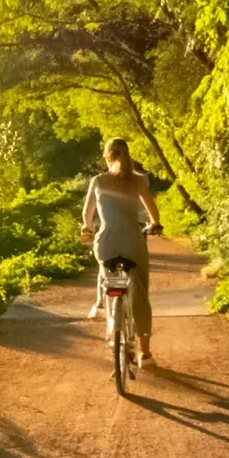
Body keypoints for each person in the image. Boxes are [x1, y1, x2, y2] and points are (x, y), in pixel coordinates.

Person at [82, 138, 165, 364]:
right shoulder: (138, 182)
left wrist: (88, 229)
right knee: (139, 293)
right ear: (128, 155)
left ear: (107, 156)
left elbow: (87, 214)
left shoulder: (97, 181)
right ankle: (145, 354)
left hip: (106, 243)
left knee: (108, 277)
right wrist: (155, 224)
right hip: (133, 243)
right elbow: (153, 213)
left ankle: (105, 310)